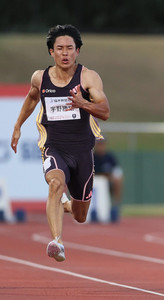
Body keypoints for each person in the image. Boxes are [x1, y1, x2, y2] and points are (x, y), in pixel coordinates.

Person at [10, 24, 110, 262]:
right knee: (55, 183)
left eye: (69, 48)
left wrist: (82, 103)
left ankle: (67, 205)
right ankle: (57, 241)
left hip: (83, 150)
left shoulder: (88, 77)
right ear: (51, 52)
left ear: (78, 51)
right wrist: (17, 126)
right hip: (54, 146)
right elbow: (32, 98)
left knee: (80, 215)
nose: (65, 53)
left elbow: (105, 111)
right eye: (59, 48)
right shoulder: (40, 77)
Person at [94, 138, 124, 221]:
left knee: (118, 181)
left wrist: (112, 178)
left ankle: (116, 206)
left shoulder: (110, 157)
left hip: (108, 183)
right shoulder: (92, 157)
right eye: (99, 144)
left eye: (102, 144)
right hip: (94, 185)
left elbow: (118, 172)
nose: (101, 147)